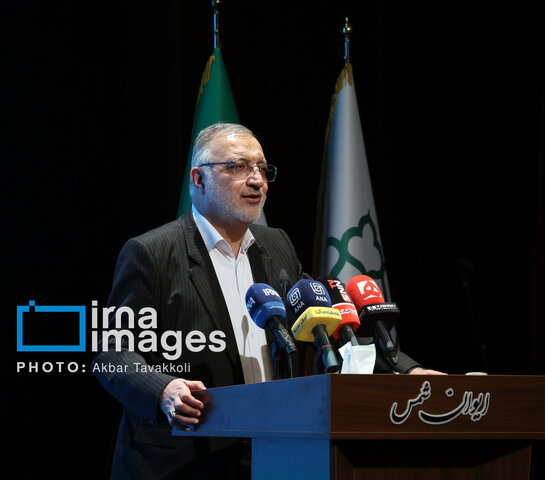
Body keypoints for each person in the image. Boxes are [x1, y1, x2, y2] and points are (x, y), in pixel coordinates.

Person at [92, 122, 442, 479]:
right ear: (198, 179)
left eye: (262, 168)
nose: (257, 180)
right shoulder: (152, 252)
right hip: (184, 458)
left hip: (272, 451)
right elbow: (111, 353)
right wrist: (162, 390)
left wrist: (407, 371)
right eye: (238, 167)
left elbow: (335, 322)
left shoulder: (276, 246)